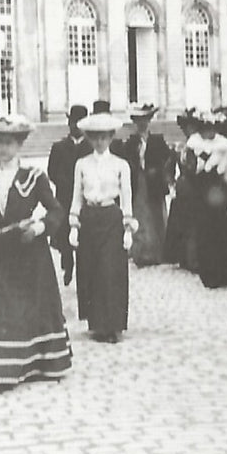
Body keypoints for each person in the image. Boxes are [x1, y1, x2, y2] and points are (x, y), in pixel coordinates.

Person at [0, 111, 73, 390]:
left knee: (32, 308)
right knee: (6, 311)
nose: (4, 148)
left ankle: (39, 365)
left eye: (10, 142)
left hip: (31, 253)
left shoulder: (34, 176)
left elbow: (56, 211)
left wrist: (39, 228)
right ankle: (3, 372)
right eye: (0, 142)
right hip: (5, 254)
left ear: (19, 144)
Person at [70, 111, 136, 341]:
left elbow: (127, 196)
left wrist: (128, 227)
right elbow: (76, 196)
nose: (99, 142)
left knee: (110, 271)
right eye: (95, 137)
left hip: (111, 218)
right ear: (89, 138)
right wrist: (74, 225)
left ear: (110, 138)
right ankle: (97, 323)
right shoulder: (82, 164)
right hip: (89, 218)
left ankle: (113, 324)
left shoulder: (121, 165)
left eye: (104, 137)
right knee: (91, 270)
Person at [189, 110, 227, 289]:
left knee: (220, 233)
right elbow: (190, 168)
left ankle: (222, 271)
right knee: (204, 233)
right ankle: (208, 272)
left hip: (218, 192)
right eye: (205, 127)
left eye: (211, 127)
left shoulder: (225, 145)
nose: (208, 131)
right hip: (201, 192)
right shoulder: (194, 143)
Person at [114, 103, 172, 267]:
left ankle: (157, 252)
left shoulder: (157, 140)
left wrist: (159, 171)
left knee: (156, 215)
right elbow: (126, 161)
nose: (142, 123)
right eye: (139, 120)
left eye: (145, 120)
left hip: (154, 182)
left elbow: (166, 158)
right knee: (140, 214)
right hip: (138, 181)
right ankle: (141, 252)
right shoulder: (131, 142)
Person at [45, 104, 91, 285]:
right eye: (73, 122)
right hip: (64, 196)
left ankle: (82, 266)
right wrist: (62, 181)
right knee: (64, 231)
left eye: (79, 123)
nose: (75, 126)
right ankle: (68, 262)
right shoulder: (59, 147)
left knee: (82, 231)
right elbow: (51, 171)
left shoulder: (90, 147)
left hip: (84, 197)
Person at [164, 108, 203, 270]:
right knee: (182, 224)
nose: (189, 131)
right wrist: (172, 183)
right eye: (187, 128)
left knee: (195, 225)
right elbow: (168, 167)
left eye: (192, 127)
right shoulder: (180, 147)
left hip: (198, 189)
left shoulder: (201, 146)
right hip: (184, 189)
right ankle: (184, 258)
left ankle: (194, 259)